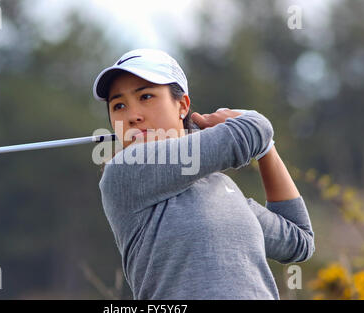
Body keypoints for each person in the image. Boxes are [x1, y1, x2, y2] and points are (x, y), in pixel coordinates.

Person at [92, 48, 315, 299]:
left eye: (146, 96)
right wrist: (243, 120)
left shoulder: (223, 187)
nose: (132, 116)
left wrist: (266, 149)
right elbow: (254, 128)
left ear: (183, 105)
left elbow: (299, 239)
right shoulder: (124, 172)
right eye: (119, 105)